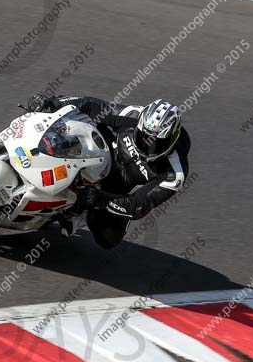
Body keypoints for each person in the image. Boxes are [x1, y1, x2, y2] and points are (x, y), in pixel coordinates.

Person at [27, 94, 191, 248]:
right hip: (99, 151)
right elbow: (92, 106)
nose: (148, 146)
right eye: (142, 137)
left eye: (157, 144)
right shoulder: (134, 115)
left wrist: (99, 199)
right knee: (70, 123)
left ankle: (79, 212)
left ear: (173, 139)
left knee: (109, 238)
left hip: (116, 187)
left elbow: (138, 205)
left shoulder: (173, 173)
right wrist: (52, 103)